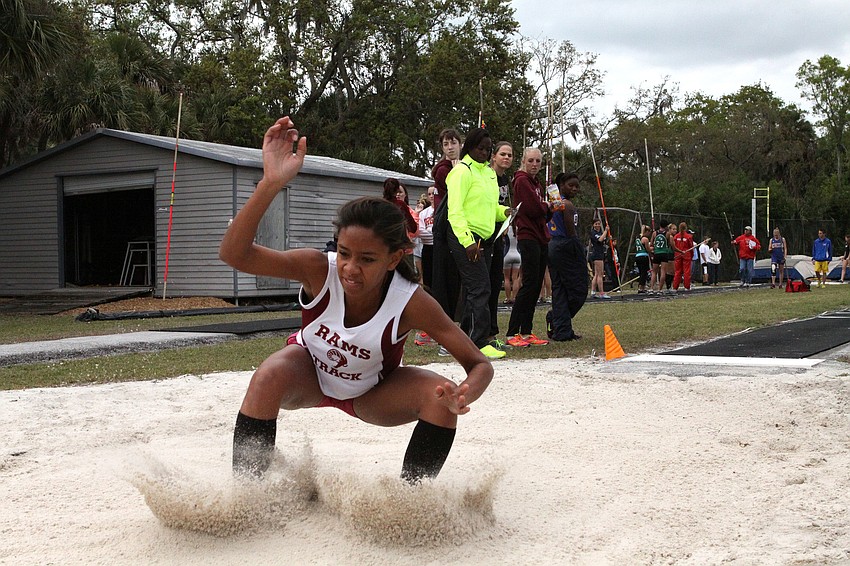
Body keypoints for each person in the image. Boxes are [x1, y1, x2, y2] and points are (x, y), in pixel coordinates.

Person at [219, 117, 493, 484]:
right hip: (310, 375)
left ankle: (413, 500)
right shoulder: (319, 269)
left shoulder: (411, 301)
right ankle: (246, 493)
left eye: (366, 260)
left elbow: (480, 364)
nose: (350, 269)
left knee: (439, 396)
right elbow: (235, 254)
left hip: (373, 393)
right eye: (345, 253)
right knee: (267, 375)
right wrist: (270, 184)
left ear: (394, 259)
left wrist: (462, 394)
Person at [445, 127, 511, 359]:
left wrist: (506, 212)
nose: (484, 152)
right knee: (480, 288)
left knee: (478, 288)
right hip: (465, 237)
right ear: (469, 148)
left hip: (484, 238)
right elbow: (455, 211)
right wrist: (467, 242)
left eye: (487, 149)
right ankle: (477, 342)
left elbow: (491, 208)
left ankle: (465, 339)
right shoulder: (461, 172)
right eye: (479, 148)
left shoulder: (490, 174)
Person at [505, 147, 552, 347]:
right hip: (528, 235)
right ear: (524, 161)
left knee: (535, 285)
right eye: (531, 160)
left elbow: (541, 211)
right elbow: (532, 208)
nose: (534, 164)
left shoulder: (536, 184)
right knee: (529, 283)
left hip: (540, 235)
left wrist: (547, 209)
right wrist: (546, 207)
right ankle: (512, 332)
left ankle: (526, 330)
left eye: (538, 161)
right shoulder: (522, 181)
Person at [546, 172, 587, 340]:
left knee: (560, 289)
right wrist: (577, 249)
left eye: (577, 186)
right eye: (571, 185)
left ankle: (562, 330)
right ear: (561, 185)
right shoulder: (566, 205)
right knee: (579, 289)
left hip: (552, 245)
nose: (575, 189)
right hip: (565, 244)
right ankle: (557, 319)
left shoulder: (552, 203)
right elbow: (571, 231)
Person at [430, 129, 463, 323]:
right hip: (446, 226)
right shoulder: (444, 170)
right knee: (445, 275)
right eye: (445, 144)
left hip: (457, 225)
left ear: (460, 144)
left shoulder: (462, 166)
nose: (450, 148)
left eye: (453, 143)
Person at [487, 141, 514, 349]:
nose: (506, 158)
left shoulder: (505, 180)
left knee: (496, 283)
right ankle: (480, 333)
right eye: (502, 154)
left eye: (510, 155)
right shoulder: (487, 177)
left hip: (500, 236)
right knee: (484, 285)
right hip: (485, 234)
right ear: (493, 156)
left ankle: (492, 332)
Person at [589, 218, 610, 299]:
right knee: (600, 274)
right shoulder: (593, 233)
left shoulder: (599, 232)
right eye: (596, 224)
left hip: (600, 253)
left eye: (598, 224)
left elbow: (604, 241)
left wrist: (608, 238)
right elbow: (600, 240)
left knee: (597, 274)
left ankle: (593, 291)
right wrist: (606, 231)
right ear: (593, 225)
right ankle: (601, 292)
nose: (597, 225)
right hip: (597, 254)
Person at [672, 221, 693, 291]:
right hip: (686, 255)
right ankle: (687, 286)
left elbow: (674, 246)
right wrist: (691, 255)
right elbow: (691, 247)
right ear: (686, 228)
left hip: (678, 255)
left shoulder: (676, 236)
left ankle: (675, 286)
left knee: (678, 271)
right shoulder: (688, 237)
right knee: (686, 271)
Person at [503, 226, 521, 304]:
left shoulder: (506, 228)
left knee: (506, 278)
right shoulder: (518, 228)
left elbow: (503, 236)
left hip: (507, 254)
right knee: (515, 278)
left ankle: (508, 298)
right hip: (517, 254)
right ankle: (514, 297)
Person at [634, 225, 652, 294]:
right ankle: (641, 287)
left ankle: (642, 287)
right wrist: (651, 251)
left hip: (637, 256)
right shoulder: (645, 239)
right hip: (643, 256)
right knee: (644, 273)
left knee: (641, 272)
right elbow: (648, 249)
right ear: (646, 231)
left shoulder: (637, 238)